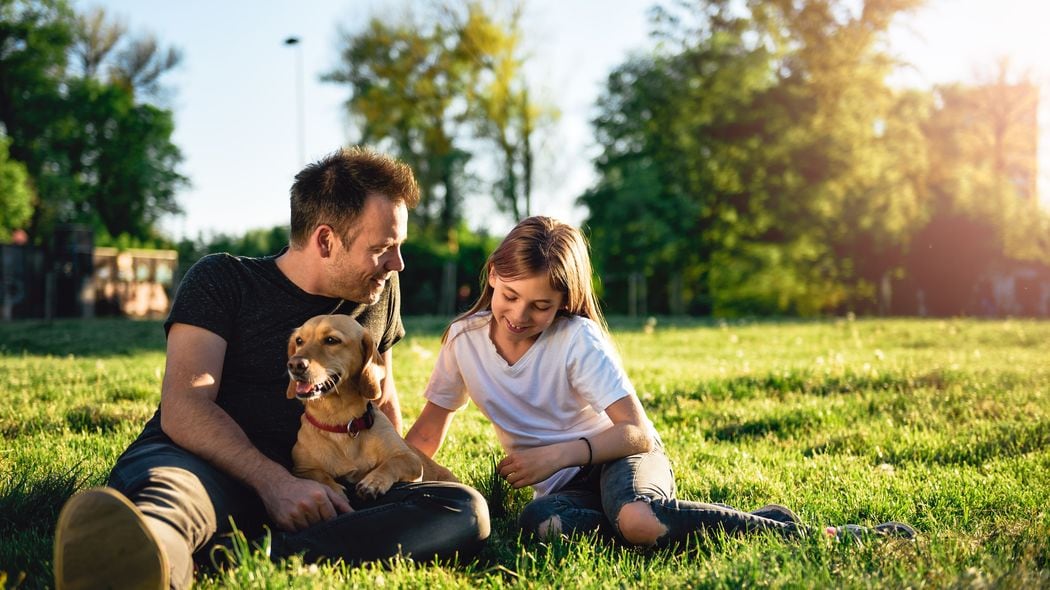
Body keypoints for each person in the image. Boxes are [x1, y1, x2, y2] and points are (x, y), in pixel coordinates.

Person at [53, 147, 490, 590]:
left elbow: (381, 396)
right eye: (382, 249)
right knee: (171, 501)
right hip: (206, 465)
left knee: (462, 508)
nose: (397, 264)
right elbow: (185, 406)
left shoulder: (379, 289)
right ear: (325, 241)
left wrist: (385, 476)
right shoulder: (222, 280)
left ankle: (248, 556)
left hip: (327, 482)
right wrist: (275, 483)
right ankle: (142, 558)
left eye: (398, 247)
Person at [406, 216, 913, 548]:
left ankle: (821, 535)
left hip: (620, 459)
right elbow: (428, 430)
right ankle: (734, 520)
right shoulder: (464, 341)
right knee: (546, 526)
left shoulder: (576, 338)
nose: (520, 315)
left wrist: (557, 455)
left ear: (563, 303)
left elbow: (637, 433)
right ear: (493, 275)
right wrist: (391, 479)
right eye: (511, 296)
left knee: (635, 520)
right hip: (566, 490)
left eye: (541, 306)